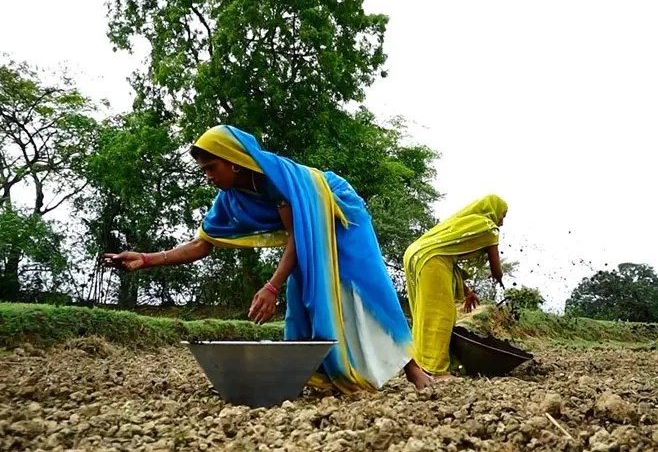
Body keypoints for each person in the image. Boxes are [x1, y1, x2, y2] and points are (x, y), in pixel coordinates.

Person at [103, 124, 432, 392]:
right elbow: (201, 245)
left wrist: (272, 287)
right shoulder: (228, 199)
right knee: (308, 290)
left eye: (211, 168)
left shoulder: (274, 181)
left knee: (363, 286)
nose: (207, 176)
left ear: (233, 161)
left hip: (339, 214)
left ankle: (413, 369)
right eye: (203, 170)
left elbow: (298, 236)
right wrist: (145, 259)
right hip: (304, 231)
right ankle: (326, 371)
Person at [402, 194, 508, 380]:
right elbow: (496, 268)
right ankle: (437, 370)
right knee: (440, 315)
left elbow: (448, 259)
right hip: (431, 259)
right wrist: (500, 280)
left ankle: (420, 364)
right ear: (493, 209)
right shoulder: (488, 227)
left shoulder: (466, 222)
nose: (502, 221)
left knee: (424, 314)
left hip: (416, 254)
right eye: (503, 215)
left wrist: (468, 292)